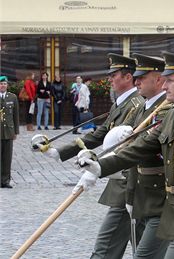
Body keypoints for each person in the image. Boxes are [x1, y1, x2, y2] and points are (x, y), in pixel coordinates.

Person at [75, 51, 174, 259]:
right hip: (170, 212)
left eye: (170, 80)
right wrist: (100, 166)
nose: (164, 86)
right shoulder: (170, 117)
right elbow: (138, 149)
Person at [33, 53, 145, 258]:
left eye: (114, 74)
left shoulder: (136, 105)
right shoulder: (120, 104)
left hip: (129, 182)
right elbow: (99, 136)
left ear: (128, 77)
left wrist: (97, 167)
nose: (110, 79)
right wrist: (59, 152)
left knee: (122, 244)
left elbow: (126, 146)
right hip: (121, 183)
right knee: (136, 243)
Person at [125, 53, 172, 258]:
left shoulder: (166, 109)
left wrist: (101, 166)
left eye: (142, 78)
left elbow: (142, 147)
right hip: (143, 192)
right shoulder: (143, 107)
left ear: (158, 79)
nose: (136, 82)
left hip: (161, 194)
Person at [0, 76, 19, 188]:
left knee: (7, 157)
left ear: (7, 85)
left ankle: (5, 180)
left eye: (4, 84)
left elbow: (15, 115)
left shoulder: (12, 97)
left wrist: (15, 131)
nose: (3, 86)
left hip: (8, 131)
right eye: (1, 84)